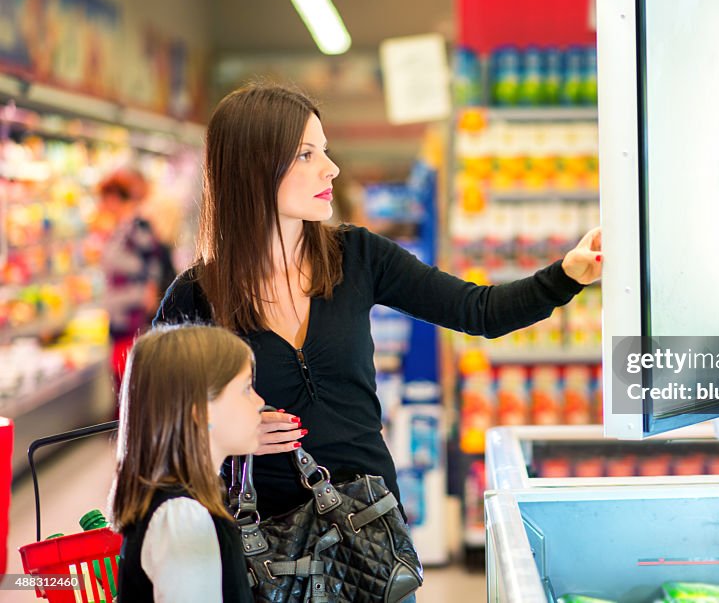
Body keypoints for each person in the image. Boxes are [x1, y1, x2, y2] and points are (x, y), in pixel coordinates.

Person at [155, 82, 602, 526]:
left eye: (325, 151)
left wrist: (565, 275)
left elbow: (478, 310)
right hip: (262, 550)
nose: (331, 169)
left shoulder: (358, 256)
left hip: (371, 535)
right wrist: (227, 434)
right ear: (254, 168)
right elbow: (153, 425)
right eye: (307, 155)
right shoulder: (196, 296)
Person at [110, 324, 263, 603]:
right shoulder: (181, 518)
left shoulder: (181, 505)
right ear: (201, 411)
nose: (260, 402)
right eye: (246, 389)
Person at [97, 168, 173, 397]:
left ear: (113, 197)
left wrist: (146, 306)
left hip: (134, 318)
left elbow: (154, 267)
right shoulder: (122, 228)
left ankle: (131, 428)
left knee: (132, 382)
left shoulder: (137, 226)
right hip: (122, 317)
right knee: (124, 380)